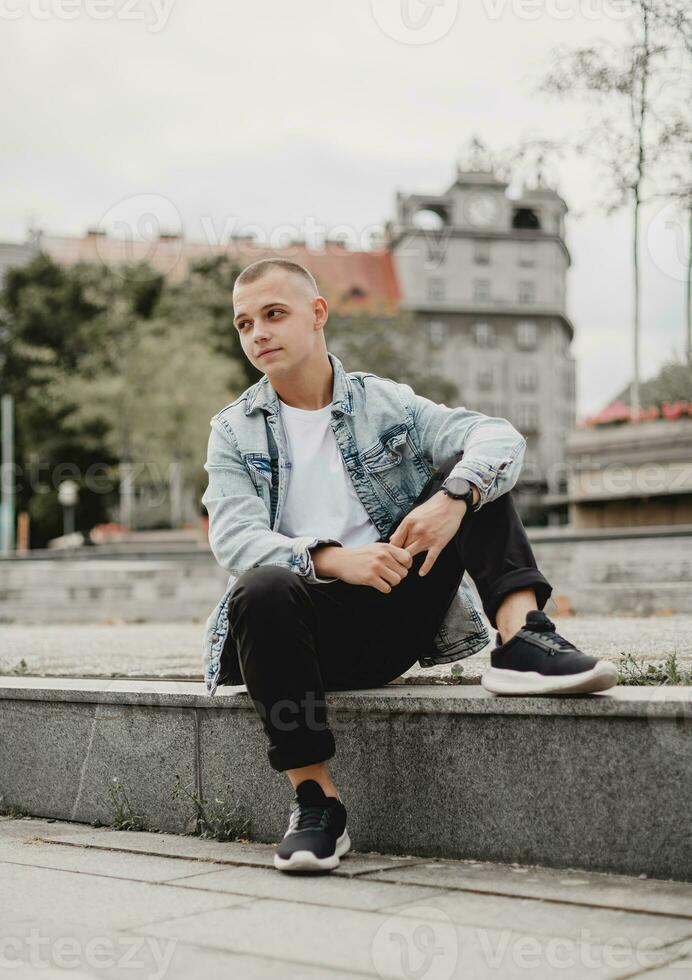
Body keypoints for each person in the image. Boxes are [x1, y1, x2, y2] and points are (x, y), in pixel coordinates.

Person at [200, 257, 617, 874]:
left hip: (393, 616)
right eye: (243, 323)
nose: (257, 332)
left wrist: (452, 500)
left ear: (317, 315)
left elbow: (499, 437)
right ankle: (316, 802)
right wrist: (336, 560)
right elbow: (234, 536)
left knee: (472, 476)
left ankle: (522, 640)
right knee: (260, 586)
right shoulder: (234, 431)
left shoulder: (385, 402)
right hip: (294, 634)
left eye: (273, 314)